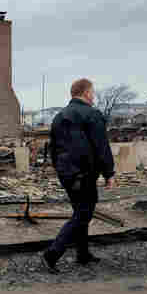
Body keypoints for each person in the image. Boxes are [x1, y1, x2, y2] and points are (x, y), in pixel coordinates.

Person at [41, 78, 116, 274]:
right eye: (93, 92)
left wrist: (61, 170)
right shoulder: (92, 115)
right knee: (83, 214)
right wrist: (109, 173)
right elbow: (102, 147)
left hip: (66, 174)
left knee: (80, 213)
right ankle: (52, 254)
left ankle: (82, 254)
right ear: (86, 93)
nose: (94, 95)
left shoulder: (59, 117)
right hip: (85, 174)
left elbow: (53, 149)